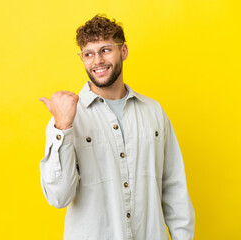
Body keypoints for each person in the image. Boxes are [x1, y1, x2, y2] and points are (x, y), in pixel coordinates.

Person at [39, 14, 195, 240]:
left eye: (105, 50)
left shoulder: (153, 111)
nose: (97, 61)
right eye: (88, 54)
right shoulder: (67, 117)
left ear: (123, 52)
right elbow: (58, 197)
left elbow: (174, 187)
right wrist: (62, 127)